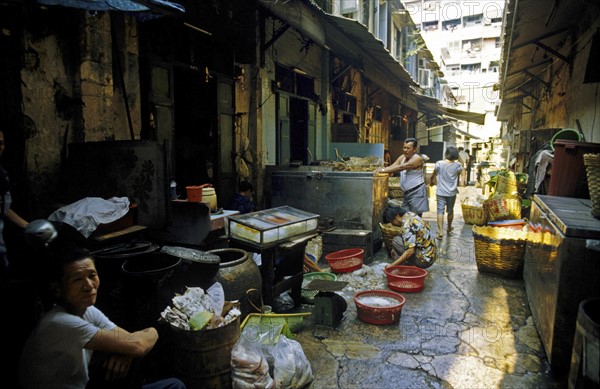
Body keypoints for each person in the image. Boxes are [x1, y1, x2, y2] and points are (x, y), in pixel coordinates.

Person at [18, 245, 186, 389]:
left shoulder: (86, 310)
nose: (89, 286)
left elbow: (131, 342)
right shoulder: (60, 323)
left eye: (92, 276)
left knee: (174, 385)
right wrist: (135, 346)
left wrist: (128, 353)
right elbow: (139, 344)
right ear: (57, 289)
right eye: (77, 280)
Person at [0, 130, 29, 278]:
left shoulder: (1, 174)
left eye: (1, 143)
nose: (0, 147)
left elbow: (4, 208)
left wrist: (29, 227)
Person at [375, 137, 429, 216]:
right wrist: (382, 169)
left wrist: (382, 170)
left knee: (416, 218)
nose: (405, 150)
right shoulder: (402, 158)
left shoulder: (417, 159)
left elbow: (402, 167)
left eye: (408, 148)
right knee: (405, 217)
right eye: (404, 148)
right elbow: (392, 167)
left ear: (414, 149)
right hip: (407, 193)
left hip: (417, 192)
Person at [430, 146, 462, 239]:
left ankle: (440, 231)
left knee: (440, 211)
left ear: (446, 154)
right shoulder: (458, 165)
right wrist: (457, 156)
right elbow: (462, 165)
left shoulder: (439, 163)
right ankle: (448, 227)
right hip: (452, 192)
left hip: (440, 192)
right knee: (450, 211)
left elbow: (434, 173)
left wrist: (432, 181)